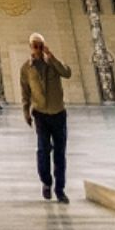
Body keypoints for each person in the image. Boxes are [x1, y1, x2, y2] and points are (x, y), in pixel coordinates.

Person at [21, 32, 72, 203]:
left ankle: (60, 189)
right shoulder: (26, 68)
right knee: (43, 149)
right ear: (30, 47)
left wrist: (52, 57)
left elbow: (67, 73)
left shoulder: (53, 64)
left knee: (60, 152)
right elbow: (25, 92)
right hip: (40, 114)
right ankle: (46, 182)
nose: (37, 49)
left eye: (40, 45)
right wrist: (26, 112)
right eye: (34, 45)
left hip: (58, 113)